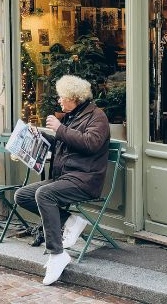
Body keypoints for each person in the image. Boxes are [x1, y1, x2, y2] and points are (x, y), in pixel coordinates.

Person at [14, 75, 111, 286]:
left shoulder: (97, 117)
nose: (59, 101)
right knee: (22, 195)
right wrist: (39, 135)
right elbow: (63, 143)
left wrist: (59, 129)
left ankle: (57, 254)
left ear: (74, 97)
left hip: (85, 180)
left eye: (62, 97)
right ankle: (70, 220)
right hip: (66, 177)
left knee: (44, 194)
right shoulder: (72, 116)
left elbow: (90, 143)